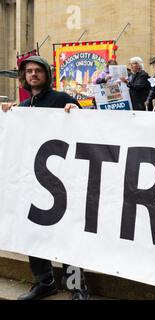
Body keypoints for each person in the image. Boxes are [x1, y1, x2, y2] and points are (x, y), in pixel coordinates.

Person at [1, 56, 89, 300]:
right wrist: (10, 113)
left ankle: (77, 286)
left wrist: (76, 111)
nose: (33, 74)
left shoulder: (60, 99)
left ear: (46, 75)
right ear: (24, 77)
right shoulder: (26, 104)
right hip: (33, 178)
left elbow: (86, 124)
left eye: (38, 70)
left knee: (68, 232)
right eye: (28, 71)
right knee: (34, 230)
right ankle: (45, 281)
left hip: (62, 178)